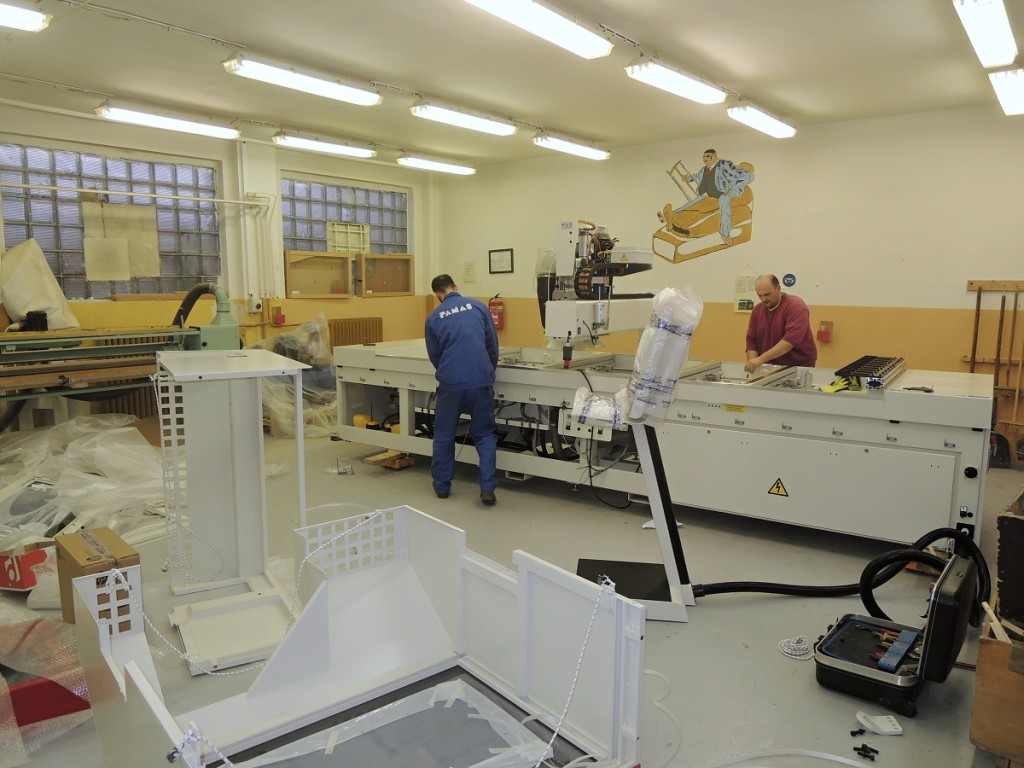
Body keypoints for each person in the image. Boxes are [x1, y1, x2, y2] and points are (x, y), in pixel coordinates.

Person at [425, 274, 499, 505]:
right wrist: (487, 372)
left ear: (437, 294)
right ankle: (487, 488)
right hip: (480, 380)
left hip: (451, 383)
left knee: (444, 435)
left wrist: (450, 373)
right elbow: (492, 345)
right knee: (484, 434)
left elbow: (435, 355)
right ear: (455, 286)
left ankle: (442, 487)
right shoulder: (478, 307)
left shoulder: (433, 317)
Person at [744, 274, 817, 373]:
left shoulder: (795, 306)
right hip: (768, 366)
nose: (763, 299)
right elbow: (751, 340)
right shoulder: (757, 310)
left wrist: (760, 359)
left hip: (798, 366)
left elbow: (790, 341)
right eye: (760, 295)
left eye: (767, 294)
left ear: (778, 288)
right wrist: (753, 362)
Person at [686, 149, 755, 246]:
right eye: (704, 156)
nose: (705, 158)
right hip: (711, 194)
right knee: (693, 202)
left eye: (707, 156)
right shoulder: (705, 169)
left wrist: (731, 187)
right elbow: (698, 176)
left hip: (726, 193)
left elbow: (749, 176)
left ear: (714, 156)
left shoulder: (725, 165)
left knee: (724, 201)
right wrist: (689, 178)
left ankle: (725, 234)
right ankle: (671, 216)